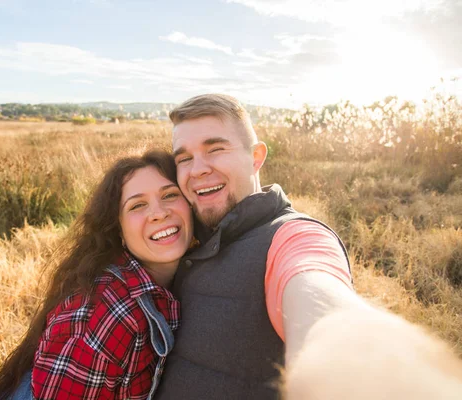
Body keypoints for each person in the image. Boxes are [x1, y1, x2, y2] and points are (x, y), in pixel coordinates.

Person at [154, 94, 462, 399]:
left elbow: (321, 303)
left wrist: (365, 364)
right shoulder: (183, 236)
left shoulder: (292, 236)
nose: (197, 169)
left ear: (256, 157)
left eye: (216, 149)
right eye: (184, 159)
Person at [0, 150, 193, 400]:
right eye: (137, 205)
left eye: (170, 195)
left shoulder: (180, 279)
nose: (159, 212)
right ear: (118, 229)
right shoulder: (109, 311)